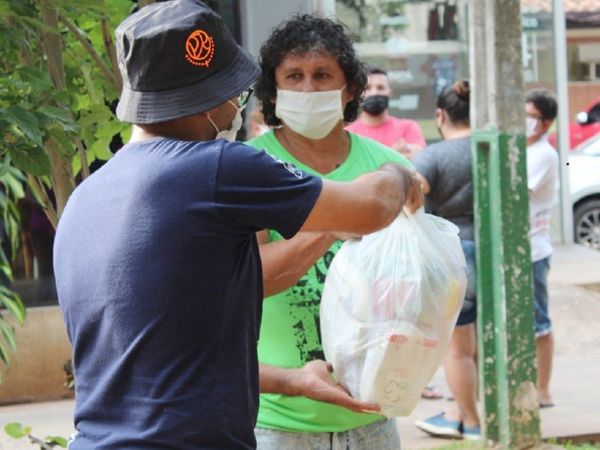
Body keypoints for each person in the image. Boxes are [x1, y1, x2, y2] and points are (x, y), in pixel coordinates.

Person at [52, 2, 423, 449]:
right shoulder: (217, 167)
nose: (235, 104)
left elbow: (172, 359)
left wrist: (294, 381)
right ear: (210, 100)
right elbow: (372, 207)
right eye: (232, 91)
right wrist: (398, 173)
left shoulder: (86, 198)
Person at [246, 14, 423, 450]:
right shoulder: (249, 170)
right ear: (275, 90)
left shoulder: (388, 168)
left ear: (348, 90)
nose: (308, 89)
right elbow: (251, 279)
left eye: (322, 75)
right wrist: (341, 220)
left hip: (372, 414)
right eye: (294, 76)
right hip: (278, 421)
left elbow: (418, 281)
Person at [412, 80, 481, 440]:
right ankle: (463, 412)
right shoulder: (488, 148)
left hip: (455, 256)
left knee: (457, 350)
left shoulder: (435, 155)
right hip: (493, 251)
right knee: (479, 346)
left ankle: (469, 423)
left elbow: (410, 186)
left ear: (440, 115)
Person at [525, 88, 559, 408]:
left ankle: (544, 390)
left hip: (534, 251)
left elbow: (517, 187)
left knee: (539, 324)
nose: (525, 121)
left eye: (531, 117)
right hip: (518, 251)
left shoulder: (543, 155)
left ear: (545, 123)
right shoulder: (522, 150)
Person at [346, 67, 426, 159]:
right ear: (359, 94)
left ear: (390, 92)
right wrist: (394, 153)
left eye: (380, 87)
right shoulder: (349, 134)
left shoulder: (408, 127)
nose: (374, 93)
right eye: (368, 88)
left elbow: (421, 155)